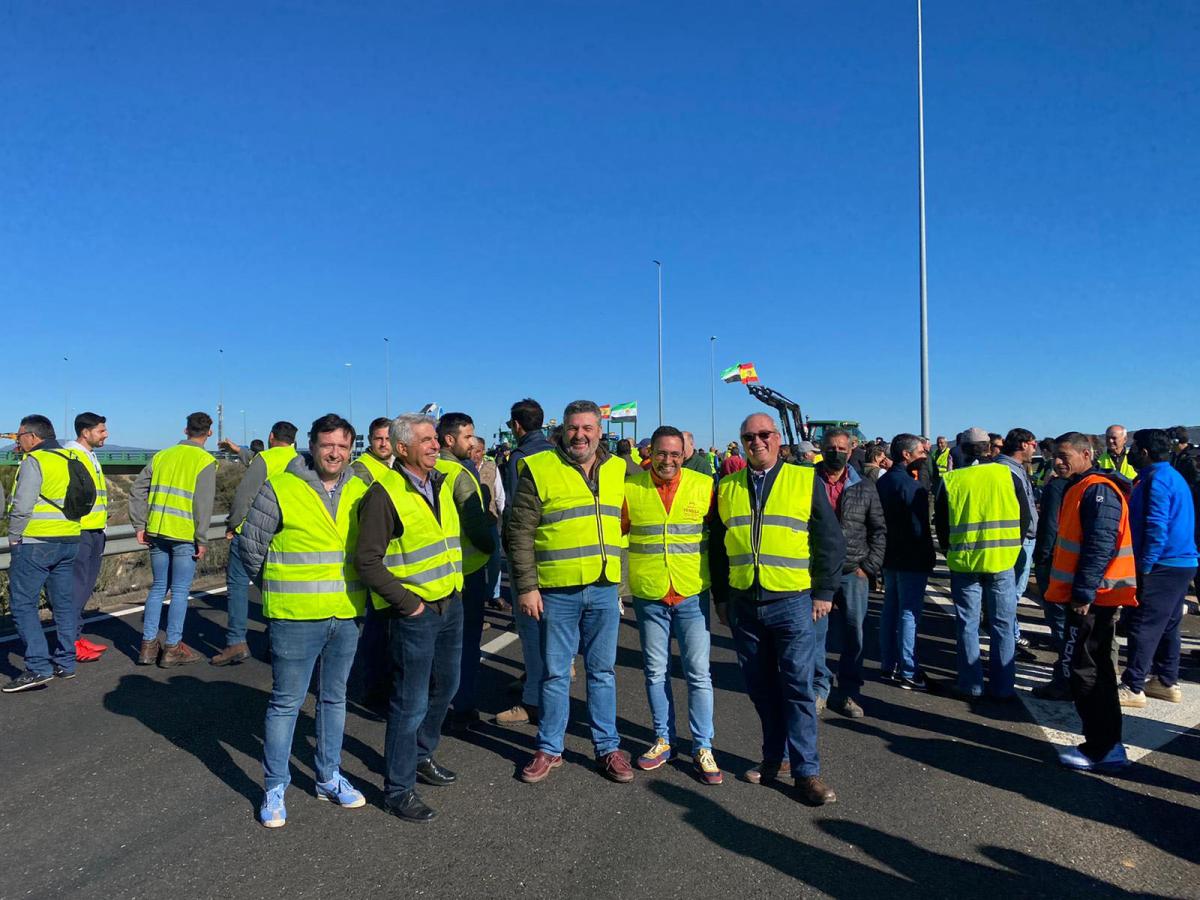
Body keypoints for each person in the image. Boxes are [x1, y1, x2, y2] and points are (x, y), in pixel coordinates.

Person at [237, 414, 369, 828]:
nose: (335, 453)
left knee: (334, 699)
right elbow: (250, 550)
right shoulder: (282, 486)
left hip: (346, 614)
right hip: (295, 617)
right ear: (312, 446)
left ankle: (329, 776)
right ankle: (275, 784)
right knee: (286, 703)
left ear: (352, 450)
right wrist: (278, 588)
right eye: (327, 444)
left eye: (343, 446)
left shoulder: (362, 489)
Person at [709, 413, 845, 806]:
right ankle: (775, 758)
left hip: (792, 602)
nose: (757, 441)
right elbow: (719, 547)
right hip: (744, 603)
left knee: (797, 688)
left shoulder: (804, 479)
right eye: (749, 436)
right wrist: (721, 596)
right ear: (741, 441)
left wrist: (823, 591)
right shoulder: (728, 484)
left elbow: (829, 541)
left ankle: (807, 772)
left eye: (764, 434)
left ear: (778, 438)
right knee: (760, 688)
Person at [509, 400, 631, 785]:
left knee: (602, 672)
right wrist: (527, 587)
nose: (580, 435)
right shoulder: (539, 468)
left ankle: (607, 748)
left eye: (587, 428)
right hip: (557, 590)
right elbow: (519, 532)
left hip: (603, 586)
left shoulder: (619, 469)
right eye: (573, 428)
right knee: (555, 674)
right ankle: (549, 748)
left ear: (600, 431)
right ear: (560, 430)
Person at [355, 413, 465, 822]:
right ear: (403, 449)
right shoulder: (385, 494)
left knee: (447, 686)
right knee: (410, 701)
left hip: (450, 603)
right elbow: (368, 560)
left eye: (436, 439)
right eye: (426, 441)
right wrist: (408, 603)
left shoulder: (439, 484)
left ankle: (422, 755)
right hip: (414, 614)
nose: (436, 445)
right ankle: (398, 788)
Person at [623, 426, 721, 785]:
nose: (667, 460)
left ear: (684, 454)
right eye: (661, 453)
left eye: (674, 454)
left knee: (698, 673)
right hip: (650, 594)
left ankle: (702, 746)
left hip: (692, 593)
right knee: (655, 672)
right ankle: (663, 739)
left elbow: (722, 537)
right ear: (651, 454)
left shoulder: (703, 485)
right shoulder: (630, 489)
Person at [1043, 432, 1135, 772]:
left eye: (1064, 454)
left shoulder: (1097, 490)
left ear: (1086, 453)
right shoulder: (1083, 487)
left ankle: (1104, 747)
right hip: (1089, 597)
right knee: (1088, 670)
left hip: (1094, 600)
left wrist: (1083, 593)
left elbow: (1100, 544)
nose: (1057, 461)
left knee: (1088, 672)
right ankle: (1103, 744)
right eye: (1055, 455)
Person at [934, 427, 1031, 701]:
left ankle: (971, 684)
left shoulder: (952, 480)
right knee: (1002, 624)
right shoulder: (1007, 474)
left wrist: (950, 549)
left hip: (965, 563)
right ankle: (1003, 687)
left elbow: (941, 524)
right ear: (989, 448)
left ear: (961, 449)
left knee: (968, 624)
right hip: (1001, 561)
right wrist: (1012, 547)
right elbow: (1024, 516)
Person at [2, 415, 90, 693]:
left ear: (33, 436)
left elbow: (22, 505)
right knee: (63, 603)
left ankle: (38, 667)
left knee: (23, 603)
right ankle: (66, 663)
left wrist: (14, 537)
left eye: (19, 436)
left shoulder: (35, 461)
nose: (18, 441)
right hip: (69, 539)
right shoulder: (71, 458)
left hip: (37, 542)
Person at [1117, 429, 1198, 708]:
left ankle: (1133, 685)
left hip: (1162, 563)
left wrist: (1145, 566)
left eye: (1134, 447)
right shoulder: (1170, 476)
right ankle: (1165, 681)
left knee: (1144, 623)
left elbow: (1156, 526)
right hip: (1181, 563)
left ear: (1145, 452)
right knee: (1168, 625)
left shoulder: (1157, 480)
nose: (1130, 451)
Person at [129, 412, 216, 667]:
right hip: (184, 535)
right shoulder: (205, 461)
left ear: (185, 430)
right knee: (179, 591)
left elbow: (137, 490)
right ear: (209, 432)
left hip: (156, 532)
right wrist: (202, 539)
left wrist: (139, 524)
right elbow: (203, 504)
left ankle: (147, 646)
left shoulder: (162, 455)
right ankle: (172, 647)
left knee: (158, 587)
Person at [812, 429, 886, 718]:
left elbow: (879, 529)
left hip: (853, 572)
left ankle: (849, 692)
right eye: (831, 447)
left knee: (855, 634)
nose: (836, 452)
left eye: (842, 448)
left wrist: (868, 567)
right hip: (816, 572)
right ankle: (820, 688)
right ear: (821, 448)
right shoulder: (806, 482)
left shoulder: (864, 485)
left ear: (851, 449)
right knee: (816, 635)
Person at [216, 420, 298, 666]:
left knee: (238, 585)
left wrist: (233, 525)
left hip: (251, 533)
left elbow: (245, 495)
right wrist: (239, 450)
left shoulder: (266, 460)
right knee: (276, 589)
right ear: (293, 441)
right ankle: (278, 641)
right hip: (283, 533)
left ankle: (236, 642)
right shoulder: (300, 462)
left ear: (271, 436)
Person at [435, 412, 496, 732]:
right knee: (466, 643)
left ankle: (435, 704)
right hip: (468, 570)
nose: (473, 443)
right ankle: (464, 706)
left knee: (439, 644)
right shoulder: (460, 474)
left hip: (435, 572)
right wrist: (490, 548)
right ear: (450, 439)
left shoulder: (429, 468)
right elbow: (477, 524)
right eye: (468, 437)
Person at [494, 398, 554, 726]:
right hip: (555, 552)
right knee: (551, 628)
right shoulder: (556, 453)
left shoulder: (520, 457)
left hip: (528, 554)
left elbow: (516, 513)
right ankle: (540, 682)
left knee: (530, 630)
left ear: (517, 425)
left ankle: (532, 700)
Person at [876, 434, 935, 691]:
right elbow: (919, 529)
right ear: (907, 455)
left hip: (889, 555)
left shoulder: (883, 482)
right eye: (921, 452)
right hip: (911, 557)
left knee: (891, 609)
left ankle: (889, 665)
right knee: (909, 613)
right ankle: (909, 670)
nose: (925, 456)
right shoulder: (913, 488)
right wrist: (929, 557)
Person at [63, 412, 111, 662]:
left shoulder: (90, 456)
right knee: (77, 588)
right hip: (80, 531)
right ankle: (69, 644)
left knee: (83, 588)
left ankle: (76, 637)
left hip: (95, 531)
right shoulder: (73, 456)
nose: (106, 434)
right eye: (101, 430)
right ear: (85, 432)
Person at [995, 428, 1040, 662]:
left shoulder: (1016, 468)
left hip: (1023, 537)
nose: (1035, 448)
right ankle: (1009, 639)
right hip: (1019, 540)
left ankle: (1010, 635)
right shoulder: (1006, 470)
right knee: (1011, 592)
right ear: (1023, 445)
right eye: (1034, 443)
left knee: (1012, 592)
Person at [1030, 454, 1073, 701]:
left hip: (1056, 559)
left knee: (1058, 618)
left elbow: (1050, 524)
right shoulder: (1092, 484)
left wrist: (1042, 557)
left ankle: (1065, 676)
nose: (1057, 461)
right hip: (1076, 560)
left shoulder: (1056, 487)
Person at [472, 436, 507, 610]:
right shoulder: (462, 468)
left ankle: (494, 594)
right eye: (473, 450)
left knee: (494, 561)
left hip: (490, 521)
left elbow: (499, 494)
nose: (476, 455)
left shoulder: (491, 467)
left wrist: (505, 516)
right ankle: (473, 597)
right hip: (470, 525)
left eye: (479, 451)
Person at [352, 417, 395, 485]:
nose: (383, 444)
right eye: (378, 439)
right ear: (369, 439)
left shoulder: (401, 463)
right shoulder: (359, 469)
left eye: (388, 439)